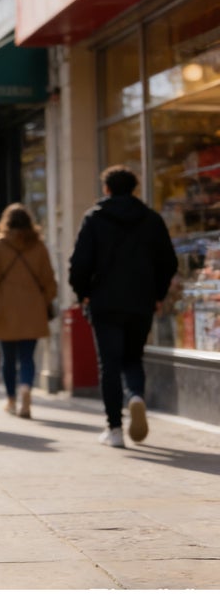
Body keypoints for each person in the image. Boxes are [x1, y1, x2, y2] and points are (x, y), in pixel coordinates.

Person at [69, 164, 177, 448]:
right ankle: (137, 396)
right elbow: (169, 261)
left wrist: (83, 293)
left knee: (110, 364)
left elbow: (79, 263)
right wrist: (158, 294)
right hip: (141, 301)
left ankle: (115, 429)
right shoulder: (151, 219)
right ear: (133, 188)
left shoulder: (94, 218)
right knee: (133, 358)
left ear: (106, 189)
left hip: (104, 302)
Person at [0, 203, 58, 419]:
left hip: (5, 308)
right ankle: (26, 388)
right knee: (27, 357)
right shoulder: (38, 245)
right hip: (33, 310)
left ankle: (12, 399)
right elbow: (50, 281)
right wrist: (43, 301)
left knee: (7, 358)